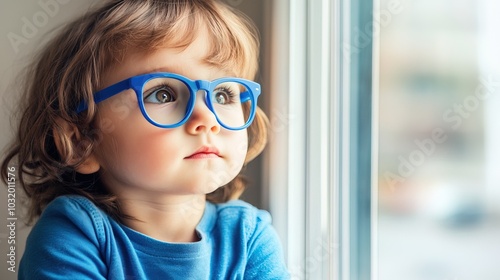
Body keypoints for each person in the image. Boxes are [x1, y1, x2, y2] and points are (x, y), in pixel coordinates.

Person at [0, 0, 289, 279]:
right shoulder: (73, 234)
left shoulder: (249, 236)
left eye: (223, 94)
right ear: (80, 141)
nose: (207, 119)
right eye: (163, 94)